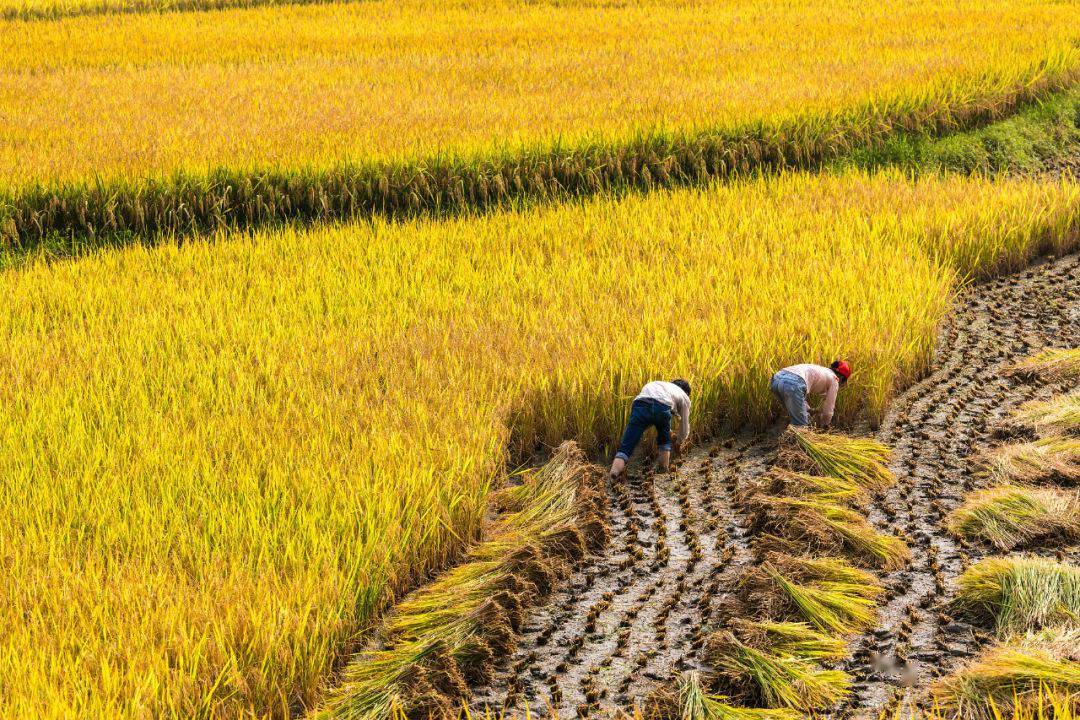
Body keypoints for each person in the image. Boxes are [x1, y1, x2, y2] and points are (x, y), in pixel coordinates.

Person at [609, 379, 691, 480]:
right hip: (663, 407)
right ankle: (663, 470)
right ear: (686, 392)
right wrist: (679, 441)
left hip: (640, 405)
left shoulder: (656, 384)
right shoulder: (684, 395)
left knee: (626, 447)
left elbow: (650, 407)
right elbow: (684, 426)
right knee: (664, 442)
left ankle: (614, 474)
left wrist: (635, 431)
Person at [770, 360, 851, 428]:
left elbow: (796, 395)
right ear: (842, 378)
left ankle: (785, 442)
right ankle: (796, 446)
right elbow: (828, 410)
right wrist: (825, 426)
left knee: (796, 418)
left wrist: (808, 409)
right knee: (802, 426)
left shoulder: (822, 370)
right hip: (792, 383)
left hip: (777, 379)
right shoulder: (835, 379)